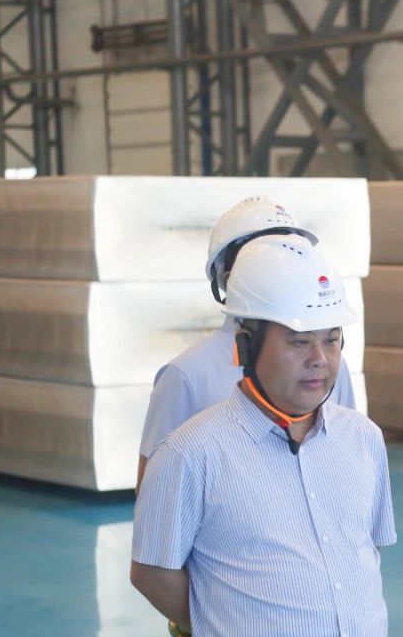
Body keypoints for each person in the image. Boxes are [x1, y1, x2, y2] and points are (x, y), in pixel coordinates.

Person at [131, 236, 395, 637]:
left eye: (331, 339)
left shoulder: (363, 441)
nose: (320, 359)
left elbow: (366, 552)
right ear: (247, 345)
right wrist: (236, 620)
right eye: (299, 342)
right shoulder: (192, 452)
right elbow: (152, 572)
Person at [137, 196, 356, 487]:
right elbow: (157, 490)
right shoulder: (186, 376)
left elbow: (348, 457)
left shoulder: (327, 367)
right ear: (231, 279)